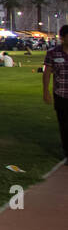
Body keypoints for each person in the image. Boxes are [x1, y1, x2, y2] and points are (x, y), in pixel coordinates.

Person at [43, 25, 68, 160]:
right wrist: (45, 91)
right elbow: (47, 73)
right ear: (62, 38)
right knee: (64, 124)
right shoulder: (53, 53)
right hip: (61, 94)